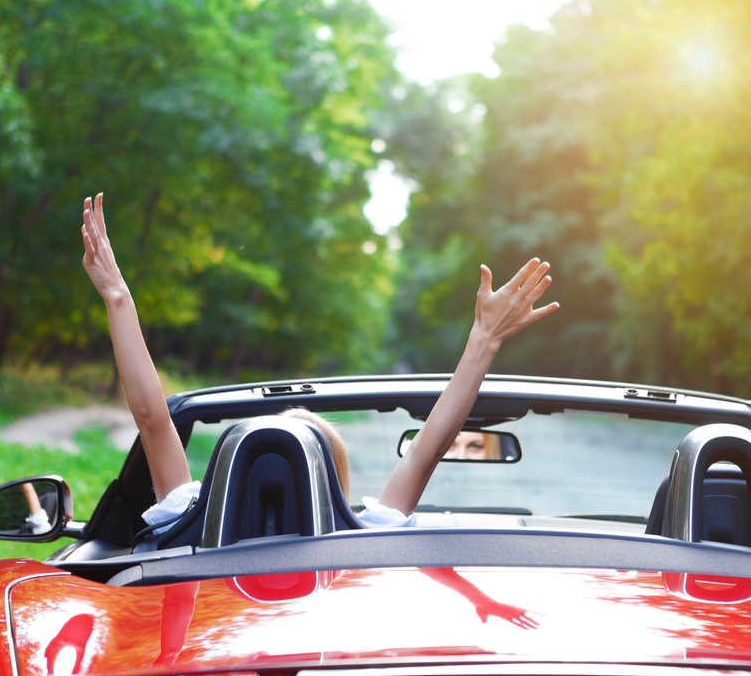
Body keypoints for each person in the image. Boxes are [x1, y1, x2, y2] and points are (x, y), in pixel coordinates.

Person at [80, 192, 559, 531]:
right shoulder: (367, 535)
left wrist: (118, 296)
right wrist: (484, 340)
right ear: (333, 480)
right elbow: (426, 450)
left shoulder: (189, 522)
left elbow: (153, 421)